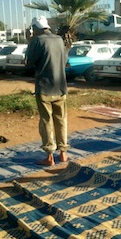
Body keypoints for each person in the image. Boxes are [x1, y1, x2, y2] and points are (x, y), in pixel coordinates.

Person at [25, 16, 69, 166]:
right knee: (61, 120)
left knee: (46, 122)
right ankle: (63, 153)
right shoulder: (59, 40)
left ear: (35, 29)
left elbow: (29, 63)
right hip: (61, 87)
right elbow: (64, 61)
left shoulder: (37, 41)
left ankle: (49, 157)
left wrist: (30, 42)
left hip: (44, 88)